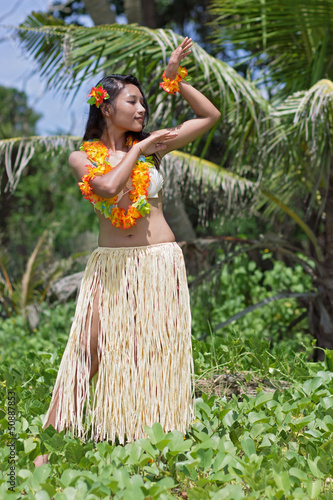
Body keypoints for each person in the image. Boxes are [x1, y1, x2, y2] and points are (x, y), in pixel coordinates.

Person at [34, 37, 220, 466]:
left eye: (143, 104)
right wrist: (138, 149)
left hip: (159, 261)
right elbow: (107, 188)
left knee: (152, 351)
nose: (141, 111)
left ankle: (150, 442)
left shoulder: (154, 147)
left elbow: (209, 116)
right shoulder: (82, 157)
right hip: (112, 265)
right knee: (88, 348)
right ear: (106, 108)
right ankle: (48, 445)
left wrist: (175, 80)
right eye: (132, 102)